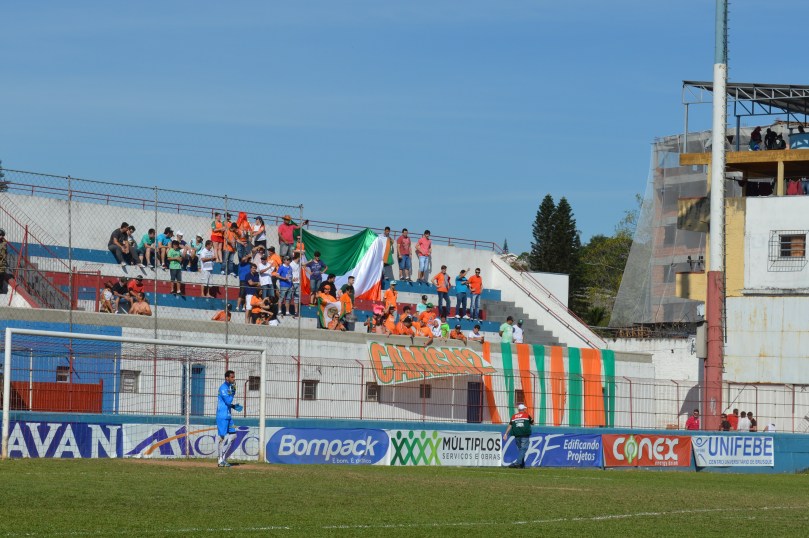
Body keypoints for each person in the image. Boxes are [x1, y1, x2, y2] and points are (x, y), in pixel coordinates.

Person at [216, 370, 243, 467]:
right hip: (222, 416)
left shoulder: (228, 387)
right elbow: (227, 401)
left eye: (234, 377)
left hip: (228, 415)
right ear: (226, 378)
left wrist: (233, 406)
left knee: (233, 436)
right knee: (223, 437)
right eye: (232, 377)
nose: (233, 379)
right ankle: (220, 460)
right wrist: (233, 392)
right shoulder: (223, 388)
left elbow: (227, 403)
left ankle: (223, 457)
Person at [503, 403, 533, 469]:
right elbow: (532, 422)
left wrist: (506, 434)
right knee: (523, 449)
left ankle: (521, 465)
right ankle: (518, 463)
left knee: (520, 450)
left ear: (518, 409)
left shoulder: (514, 416)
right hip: (524, 434)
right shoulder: (526, 415)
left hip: (517, 435)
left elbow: (510, 425)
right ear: (524, 409)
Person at [0, 228, 6, 294]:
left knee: (1, 276)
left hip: (1, 264)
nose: (1, 236)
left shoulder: (4, 243)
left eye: (2, 235)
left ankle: (0, 289)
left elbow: (3, 254)